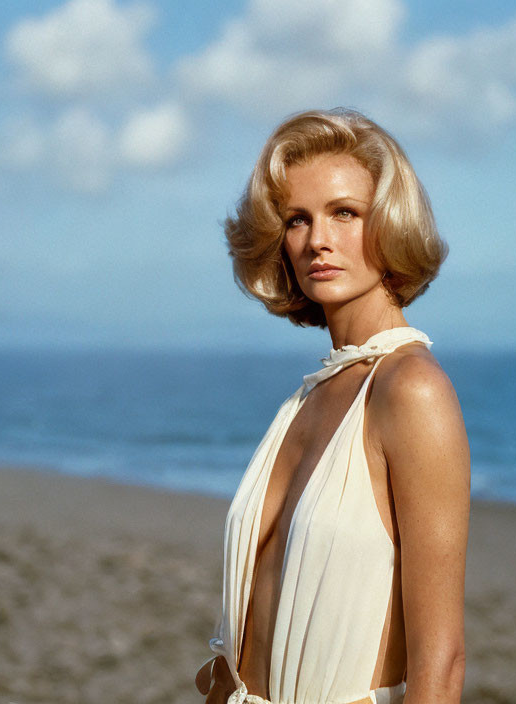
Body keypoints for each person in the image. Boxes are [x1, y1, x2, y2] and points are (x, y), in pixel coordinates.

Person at [196, 108, 470, 704]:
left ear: (390, 223)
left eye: (345, 213)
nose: (318, 239)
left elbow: (440, 663)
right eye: (298, 219)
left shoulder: (411, 390)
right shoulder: (311, 395)